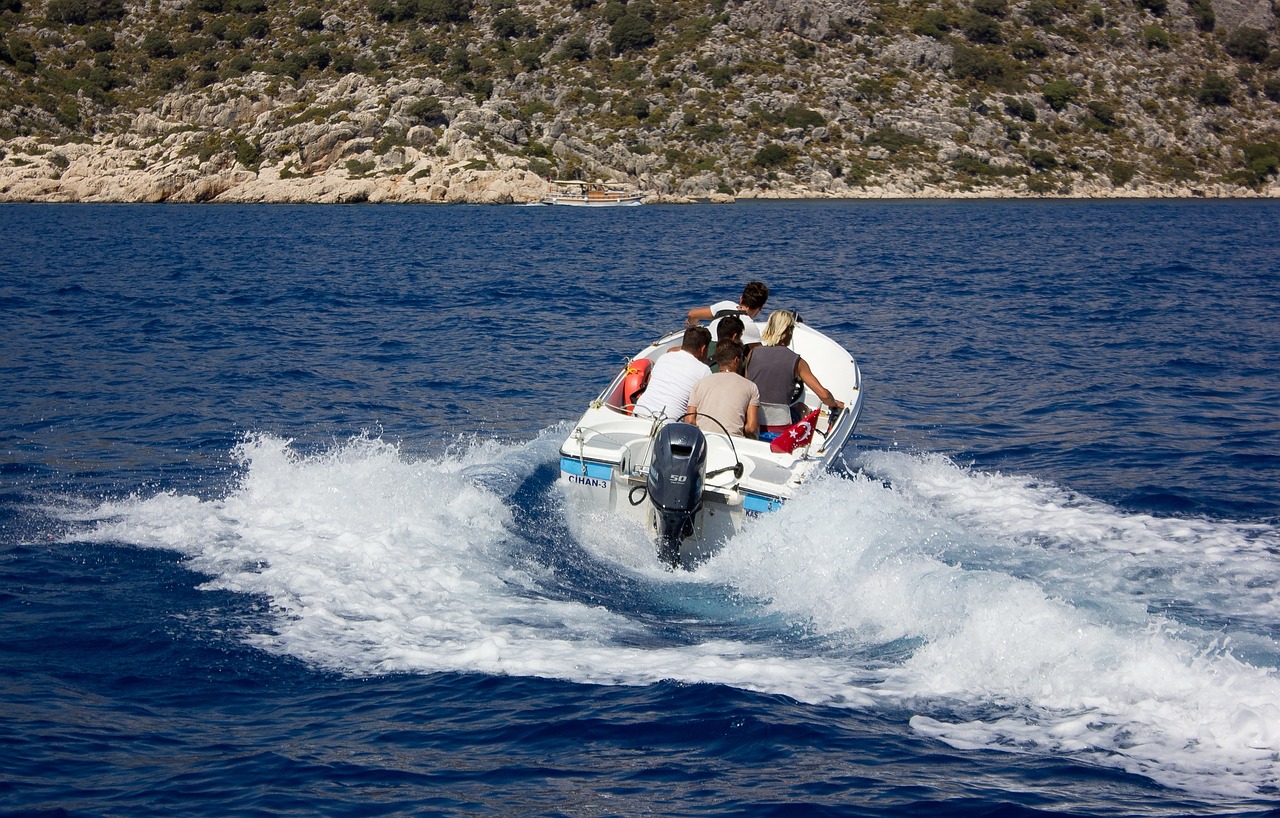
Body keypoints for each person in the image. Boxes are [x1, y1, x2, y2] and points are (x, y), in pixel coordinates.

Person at [745, 309, 844, 432]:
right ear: (786, 331)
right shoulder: (797, 361)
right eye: (791, 329)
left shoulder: (752, 354)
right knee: (802, 408)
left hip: (753, 422)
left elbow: (745, 386)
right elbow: (824, 395)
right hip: (780, 427)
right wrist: (834, 403)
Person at [632, 326, 711, 420]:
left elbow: (650, 381)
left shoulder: (664, 358)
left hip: (638, 412)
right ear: (703, 349)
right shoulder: (704, 371)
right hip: (668, 423)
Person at [685, 340, 760, 438]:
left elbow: (689, 420)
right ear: (736, 360)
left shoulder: (700, 384)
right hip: (733, 442)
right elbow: (751, 427)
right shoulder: (751, 387)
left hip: (704, 440)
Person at [686, 281, 769, 347]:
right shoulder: (750, 326)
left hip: (705, 354)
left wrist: (696, 326)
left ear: (741, 299)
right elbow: (758, 356)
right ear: (761, 307)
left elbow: (692, 314)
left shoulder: (725, 305)